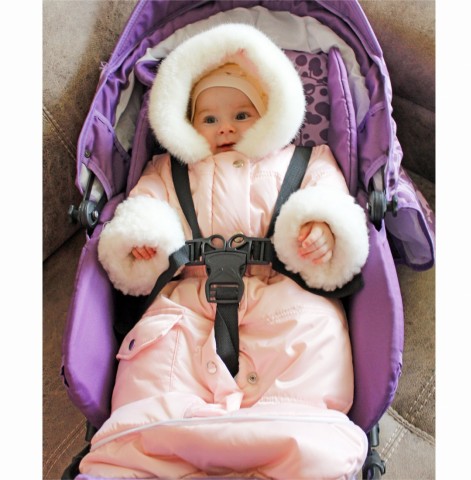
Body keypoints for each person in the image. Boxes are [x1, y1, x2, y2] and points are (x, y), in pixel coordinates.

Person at [80, 23, 370, 479]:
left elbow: (332, 199)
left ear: (270, 112)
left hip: (284, 295)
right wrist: (143, 242)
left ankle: (300, 437)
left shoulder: (306, 160)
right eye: (209, 119)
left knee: (317, 332)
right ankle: (144, 449)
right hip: (188, 304)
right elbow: (143, 209)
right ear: (185, 123)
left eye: (242, 113)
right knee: (156, 353)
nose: (226, 127)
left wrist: (323, 229)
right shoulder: (167, 169)